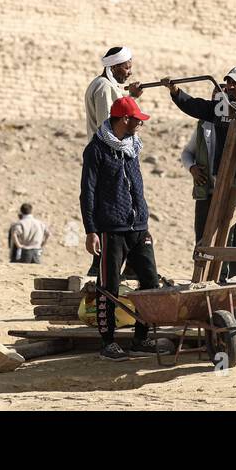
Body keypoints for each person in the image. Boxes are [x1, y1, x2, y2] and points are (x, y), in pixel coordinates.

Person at [163, 67, 236, 284]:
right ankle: (220, 275)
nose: (229, 87)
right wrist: (176, 92)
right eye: (227, 82)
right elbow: (195, 106)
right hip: (224, 174)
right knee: (220, 226)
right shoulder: (221, 107)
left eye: (234, 83)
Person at [81, 95, 162, 360]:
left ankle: (142, 338)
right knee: (109, 286)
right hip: (110, 230)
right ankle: (108, 343)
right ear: (124, 119)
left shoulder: (132, 146)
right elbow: (88, 192)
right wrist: (91, 230)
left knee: (150, 281)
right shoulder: (96, 150)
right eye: (137, 119)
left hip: (138, 227)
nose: (141, 124)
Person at [84, 46, 142, 139]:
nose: (130, 73)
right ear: (113, 67)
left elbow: (118, 112)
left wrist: (132, 97)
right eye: (127, 68)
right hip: (104, 151)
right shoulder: (104, 86)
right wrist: (132, 97)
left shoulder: (105, 84)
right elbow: (107, 125)